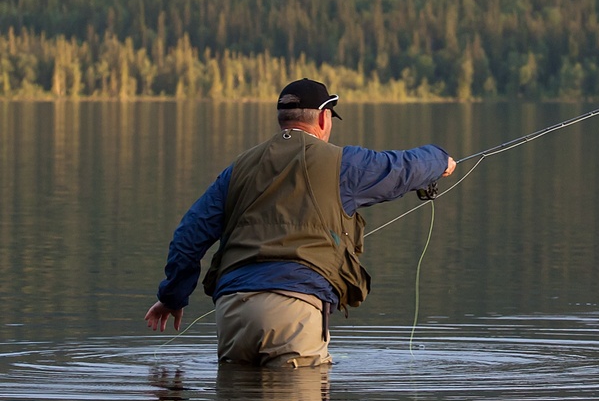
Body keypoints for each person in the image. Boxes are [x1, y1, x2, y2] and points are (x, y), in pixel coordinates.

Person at [144, 78, 456, 368]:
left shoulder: (237, 169)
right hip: (296, 311)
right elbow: (403, 168)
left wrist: (172, 297)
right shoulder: (344, 164)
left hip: (232, 311)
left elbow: (188, 235)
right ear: (323, 119)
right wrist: (441, 160)